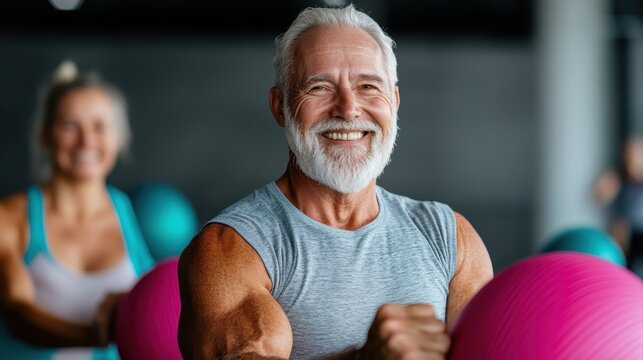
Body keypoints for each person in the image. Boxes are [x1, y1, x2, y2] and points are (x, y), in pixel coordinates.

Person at [178, 5, 493, 359]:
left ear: (395, 101)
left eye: (368, 86)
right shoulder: (231, 249)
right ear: (280, 106)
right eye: (320, 87)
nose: (347, 108)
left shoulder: (451, 238)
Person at [0, 61, 154, 359]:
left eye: (99, 126)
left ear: (118, 138)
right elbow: (17, 313)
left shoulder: (135, 214)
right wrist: (97, 333)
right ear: (45, 135)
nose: (86, 141)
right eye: (70, 125)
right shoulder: (10, 217)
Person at [594, 136, 643, 272]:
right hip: (623, 232)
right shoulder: (617, 179)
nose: (630, 160)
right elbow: (598, 197)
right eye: (627, 156)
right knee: (625, 264)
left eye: (634, 155)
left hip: (640, 231)